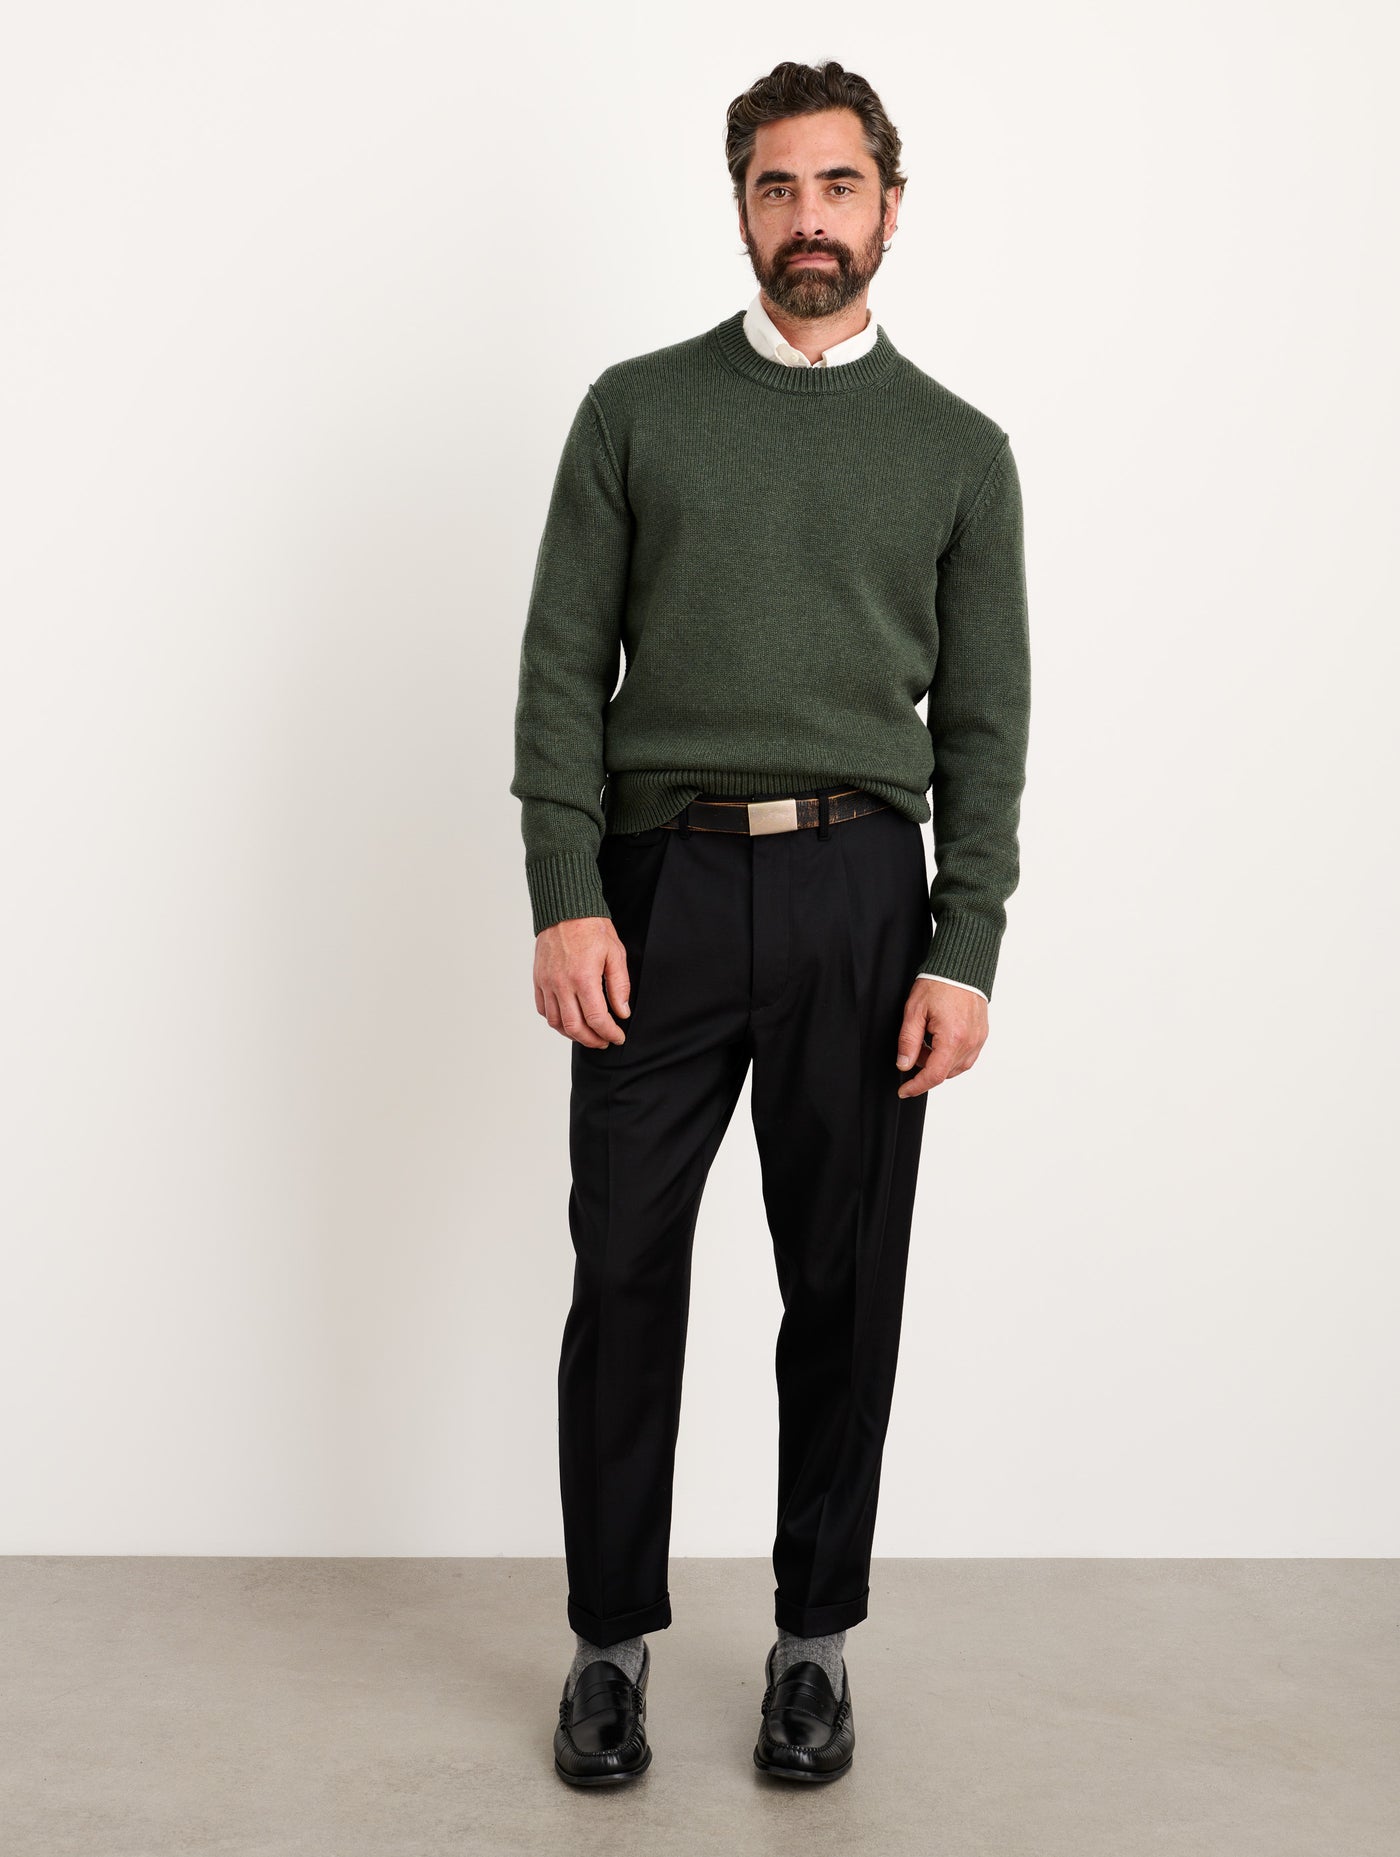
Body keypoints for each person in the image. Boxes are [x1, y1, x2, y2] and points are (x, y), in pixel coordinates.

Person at [510, 57, 1031, 1787]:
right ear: (739, 207)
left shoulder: (959, 452)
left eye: (838, 185)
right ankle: (607, 1644)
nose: (810, 219)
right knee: (623, 1269)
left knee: (845, 1282)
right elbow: (560, 674)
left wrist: (964, 946)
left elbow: (985, 728)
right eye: (777, 187)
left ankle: (815, 1645)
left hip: (862, 894)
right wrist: (568, 894)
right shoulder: (637, 412)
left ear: (892, 205)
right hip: (660, 888)